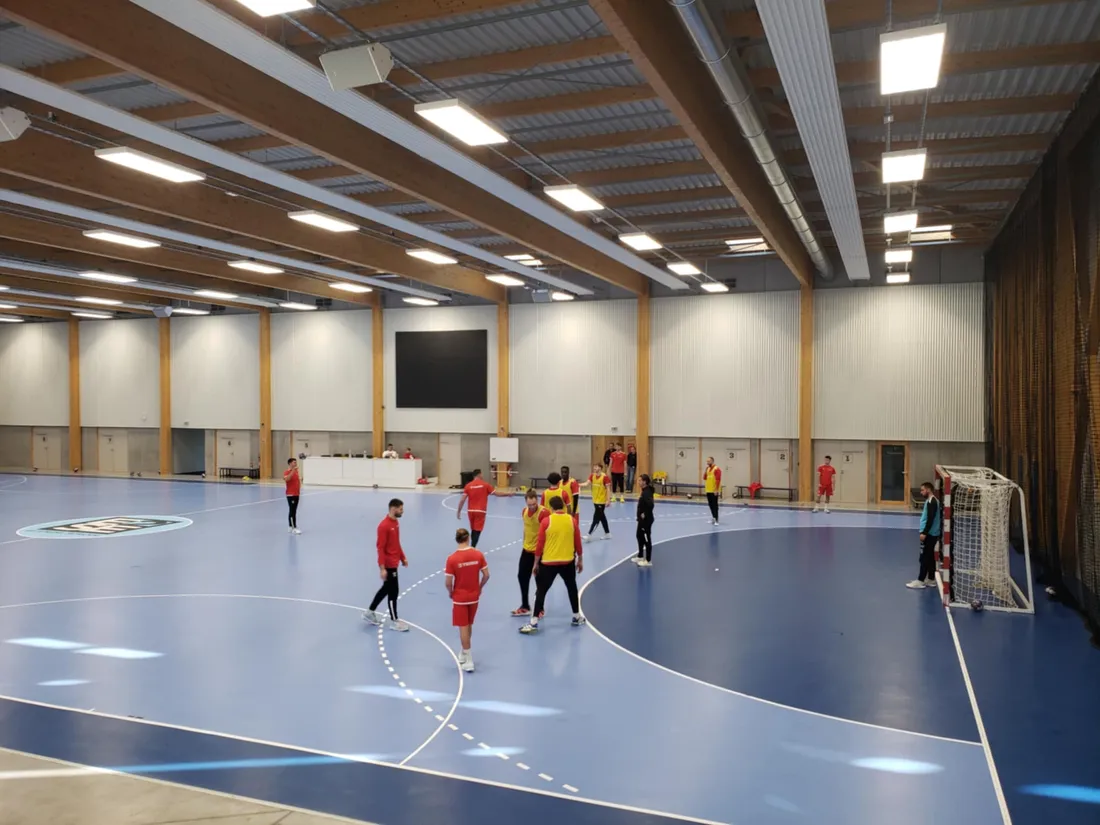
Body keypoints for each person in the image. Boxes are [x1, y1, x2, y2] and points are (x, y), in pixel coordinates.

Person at [519, 495, 585, 634]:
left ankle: (534, 622)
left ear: (551, 507)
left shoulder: (546, 521)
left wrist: (536, 563)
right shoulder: (572, 520)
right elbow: (578, 542)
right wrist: (580, 559)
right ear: (562, 506)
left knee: (541, 591)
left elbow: (540, 545)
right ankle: (576, 617)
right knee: (572, 588)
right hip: (568, 561)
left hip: (549, 562)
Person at [445, 527, 490, 672]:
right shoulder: (478, 555)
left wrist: (451, 592)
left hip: (460, 597)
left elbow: (448, 582)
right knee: (469, 624)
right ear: (468, 538)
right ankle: (464, 653)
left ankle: (469, 659)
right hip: (474, 596)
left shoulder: (452, 559)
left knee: (463, 627)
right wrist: (480, 587)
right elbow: (486, 575)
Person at [363, 498, 409, 631]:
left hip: (394, 562)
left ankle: (369, 612)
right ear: (393, 509)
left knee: (386, 589)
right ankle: (395, 621)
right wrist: (382, 568)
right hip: (389, 564)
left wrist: (402, 557)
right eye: (401, 509)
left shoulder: (396, 523)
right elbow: (380, 548)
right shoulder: (384, 526)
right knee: (393, 591)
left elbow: (396, 543)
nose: (402, 511)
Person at [513, 490, 549, 617]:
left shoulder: (544, 513)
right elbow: (526, 529)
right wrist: (524, 544)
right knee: (522, 576)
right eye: (530, 505)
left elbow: (548, 534)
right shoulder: (524, 512)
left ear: (537, 501)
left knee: (540, 580)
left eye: (534, 504)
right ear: (526, 503)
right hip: (526, 550)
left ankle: (540, 608)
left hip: (540, 552)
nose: (532, 507)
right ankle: (525, 606)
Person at [456, 468, 512, 548]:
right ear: (479, 474)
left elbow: (462, 500)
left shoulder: (468, 486)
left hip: (470, 511)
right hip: (480, 511)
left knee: (473, 529)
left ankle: (471, 545)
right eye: (482, 474)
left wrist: (458, 511)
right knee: (477, 530)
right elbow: (497, 493)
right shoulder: (485, 485)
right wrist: (508, 494)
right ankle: (472, 547)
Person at [908, 482, 942, 590]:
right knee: (930, 556)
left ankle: (920, 580)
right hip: (932, 533)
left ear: (928, 490)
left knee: (924, 557)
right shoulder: (931, 501)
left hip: (930, 534)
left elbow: (930, 519)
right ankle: (931, 579)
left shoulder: (932, 501)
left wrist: (924, 533)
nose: (921, 492)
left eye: (923, 490)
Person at [580, 463, 611, 541]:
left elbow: (608, 489)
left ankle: (589, 535)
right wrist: (578, 484)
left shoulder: (605, 477)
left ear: (600, 468)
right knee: (602, 518)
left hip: (601, 501)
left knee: (596, 518)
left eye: (596, 467)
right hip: (595, 500)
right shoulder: (592, 476)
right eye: (594, 467)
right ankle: (607, 534)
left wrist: (608, 500)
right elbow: (587, 483)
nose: (594, 468)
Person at [632, 473, 655, 567]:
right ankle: (640, 555)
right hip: (641, 520)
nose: (638, 482)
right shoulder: (644, 490)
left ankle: (648, 560)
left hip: (646, 520)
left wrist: (644, 514)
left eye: (640, 480)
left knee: (646, 539)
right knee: (639, 535)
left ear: (645, 482)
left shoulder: (647, 492)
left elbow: (651, 505)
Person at [283, 457, 301, 535]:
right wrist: (293, 470)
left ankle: (290, 527)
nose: (295, 464)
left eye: (296, 462)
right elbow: (287, 479)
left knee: (294, 510)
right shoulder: (287, 472)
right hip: (291, 494)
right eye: (294, 462)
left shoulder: (296, 472)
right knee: (292, 510)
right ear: (290, 463)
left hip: (296, 494)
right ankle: (293, 527)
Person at [703, 456, 722, 525]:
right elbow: (704, 478)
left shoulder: (717, 469)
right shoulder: (707, 469)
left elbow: (718, 480)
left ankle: (716, 519)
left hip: (714, 490)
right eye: (707, 461)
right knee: (710, 504)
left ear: (712, 461)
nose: (707, 462)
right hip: (708, 489)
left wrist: (716, 490)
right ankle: (713, 518)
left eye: (709, 461)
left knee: (715, 505)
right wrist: (705, 472)